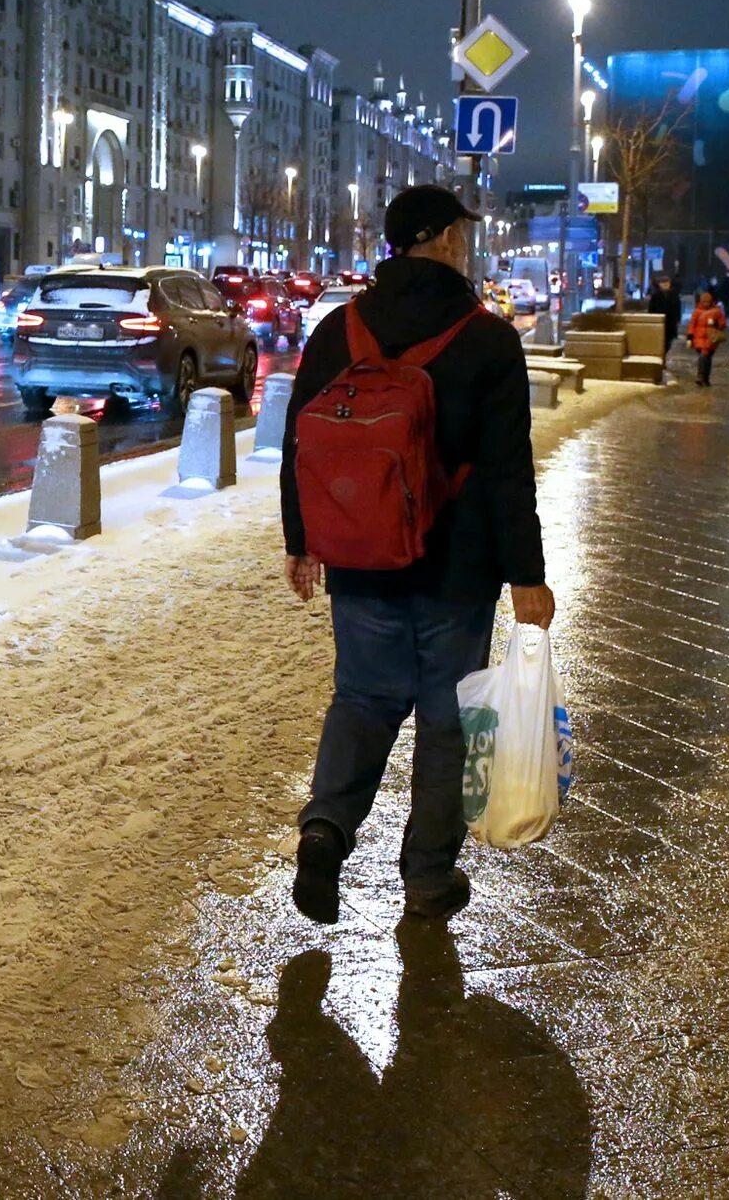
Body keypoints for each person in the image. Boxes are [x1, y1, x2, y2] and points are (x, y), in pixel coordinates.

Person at [280, 185, 554, 926]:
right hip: (456, 571)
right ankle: (428, 877)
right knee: (447, 720)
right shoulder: (488, 338)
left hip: (360, 557)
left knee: (363, 700)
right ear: (435, 238)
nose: (467, 241)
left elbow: (299, 441)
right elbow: (506, 471)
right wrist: (527, 575)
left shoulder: (341, 329)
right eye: (459, 231)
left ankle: (325, 830)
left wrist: (301, 540)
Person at [687, 289, 729, 387]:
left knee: (705, 357)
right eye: (704, 302)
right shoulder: (697, 312)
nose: (706, 304)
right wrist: (690, 337)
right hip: (699, 338)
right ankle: (703, 377)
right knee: (704, 356)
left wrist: (716, 324)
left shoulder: (716, 312)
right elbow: (692, 325)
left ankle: (703, 377)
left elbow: (723, 324)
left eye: (708, 302)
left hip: (711, 338)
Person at [644, 274, 681, 356]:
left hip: (670, 323)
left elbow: (678, 308)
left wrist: (678, 319)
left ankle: (663, 356)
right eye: (663, 283)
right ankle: (661, 358)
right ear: (659, 284)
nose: (665, 285)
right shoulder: (655, 296)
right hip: (659, 322)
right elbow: (651, 309)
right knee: (659, 342)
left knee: (668, 342)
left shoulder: (674, 295)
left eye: (667, 283)